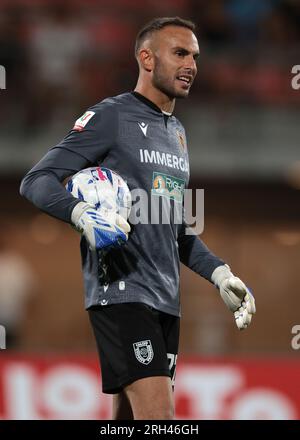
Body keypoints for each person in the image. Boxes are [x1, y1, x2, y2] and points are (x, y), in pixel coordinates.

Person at [20, 17, 256, 420]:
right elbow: (36, 180)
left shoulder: (177, 133)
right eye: (180, 53)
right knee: (160, 421)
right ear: (146, 58)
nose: (192, 65)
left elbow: (175, 226)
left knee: (127, 422)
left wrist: (220, 273)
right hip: (123, 294)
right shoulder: (112, 117)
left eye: (195, 56)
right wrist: (81, 214)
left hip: (166, 303)